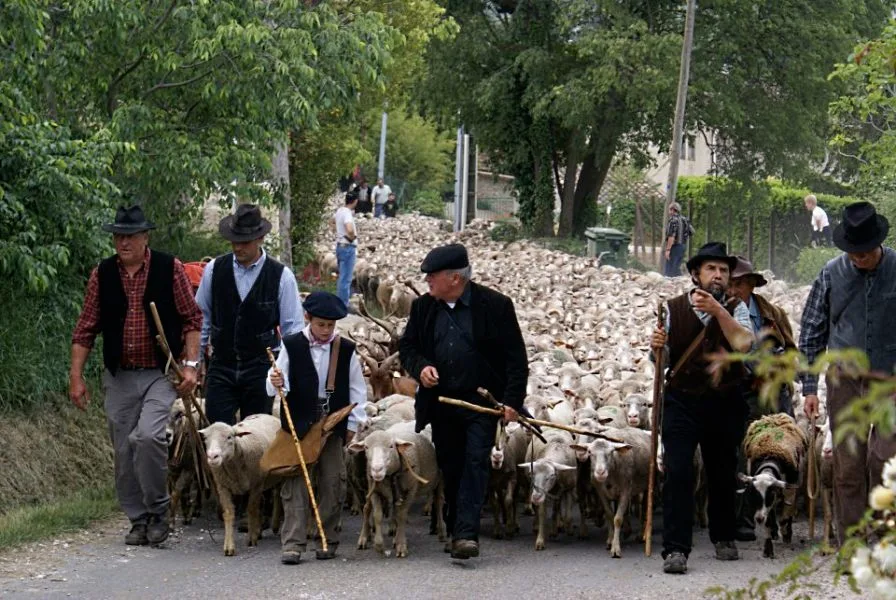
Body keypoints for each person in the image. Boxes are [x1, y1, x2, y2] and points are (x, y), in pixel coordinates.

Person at [70, 205, 203, 547]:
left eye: (130, 235)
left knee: (147, 438)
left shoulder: (168, 268)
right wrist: (76, 377)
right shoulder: (102, 274)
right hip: (120, 374)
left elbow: (191, 319)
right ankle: (138, 519)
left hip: (160, 373)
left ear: (145, 237)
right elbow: (85, 328)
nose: (123, 242)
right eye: (118, 236)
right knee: (123, 450)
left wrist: (190, 366)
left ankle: (159, 511)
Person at [399, 243, 528, 560]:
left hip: (480, 403)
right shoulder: (423, 308)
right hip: (442, 402)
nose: (427, 281)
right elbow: (409, 348)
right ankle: (456, 524)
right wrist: (421, 368)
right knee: (451, 465)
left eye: (432, 276)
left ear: (454, 278)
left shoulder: (496, 306)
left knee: (475, 461)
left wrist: (511, 401)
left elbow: (516, 359)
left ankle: (466, 534)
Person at [649, 242, 754, 574]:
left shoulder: (736, 308)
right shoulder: (672, 308)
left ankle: (723, 535)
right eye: (711, 269)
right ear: (696, 274)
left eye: (723, 270)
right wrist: (656, 349)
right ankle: (676, 548)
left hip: (724, 399)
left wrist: (718, 311)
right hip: (683, 399)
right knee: (678, 470)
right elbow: (662, 361)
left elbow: (745, 344)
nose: (719, 275)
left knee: (721, 470)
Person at [799, 201, 896, 546]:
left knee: (885, 458)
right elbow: (812, 330)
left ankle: (884, 537)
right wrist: (809, 388)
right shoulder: (830, 272)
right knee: (848, 462)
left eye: (865, 253)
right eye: (853, 253)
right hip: (844, 379)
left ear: (878, 244)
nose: (859, 259)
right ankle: (852, 539)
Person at [266, 291, 368, 565]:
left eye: (331, 325)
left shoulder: (345, 350)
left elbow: (358, 389)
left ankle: (327, 538)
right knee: (296, 483)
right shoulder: (291, 345)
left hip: (332, 423)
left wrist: (354, 423)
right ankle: (293, 543)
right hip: (298, 422)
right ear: (308, 318)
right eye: (321, 324)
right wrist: (276, 381)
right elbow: (278, 379)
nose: (326, 331)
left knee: (333, 480)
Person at [195, 204, 304, 425]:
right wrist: (196, 360)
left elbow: (293, 331)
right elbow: (201, 317)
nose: (238, 247)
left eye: (244, 242)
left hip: (260, 368)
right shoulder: (214, 270)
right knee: (215, 433)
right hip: (221, 364)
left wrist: (283, 370)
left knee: (255, 433)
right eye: (234, 241)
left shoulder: (281, 277)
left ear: (260, 239)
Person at [728, 256, 797, 542]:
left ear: (753, 285)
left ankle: (778, 513)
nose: (733, 289)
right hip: (740, 393)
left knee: (773, 453)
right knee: (741, 454)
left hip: (772, 396)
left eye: (740, 283)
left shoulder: (774, 315)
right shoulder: (722, 313)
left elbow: (792, 351)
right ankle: (742, 519)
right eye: (730, 284)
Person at [334, 194, 359, 308]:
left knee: (342, 276)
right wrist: (352, 236)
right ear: (355, 201)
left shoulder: (339, 211)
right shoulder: (347, 213)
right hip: (348, 247)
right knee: (346, 278)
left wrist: (339, 234)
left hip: (340, 246)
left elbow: (331, 222)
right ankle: (343, 305)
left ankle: (340, 301)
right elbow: (349, 228)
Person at [664, 202, 694, 277]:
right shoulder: (685, 219)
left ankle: (670, 286)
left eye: (669, 210)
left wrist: (668, 250)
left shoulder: (672, 220)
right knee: (677, 267)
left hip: (674, 247)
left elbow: (671, 236)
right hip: (683, 246)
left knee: (670, 271)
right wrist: (684, 237)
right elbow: (692, 231)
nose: (668, 212)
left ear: (672, 210)